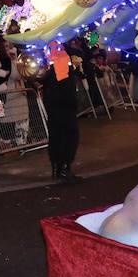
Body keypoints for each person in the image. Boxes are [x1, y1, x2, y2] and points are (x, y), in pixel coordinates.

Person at [42, 46, 84, 182]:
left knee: (56, 138)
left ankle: (57, 166)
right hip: (65, 111)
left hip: (55, 112)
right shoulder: (65, 74)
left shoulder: (50, 75)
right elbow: (68, 94)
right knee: (68, 138)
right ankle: (64, 167)